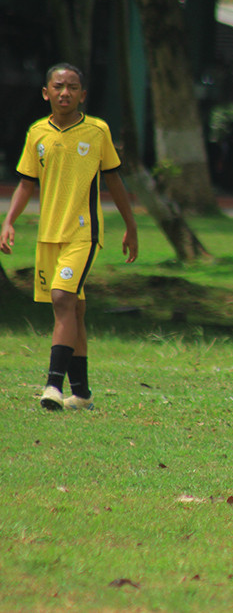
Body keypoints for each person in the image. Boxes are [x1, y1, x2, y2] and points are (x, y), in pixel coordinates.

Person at [0, 63, 139, 411]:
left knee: (62, 297)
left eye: (73, 87)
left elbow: (114, 180)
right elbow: (26, 183)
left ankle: (53, 386)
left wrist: (131, 225)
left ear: (83, 95)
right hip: (49, 235)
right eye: (59, 86)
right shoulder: (37, 133)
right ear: (46, 92)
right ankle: (82, 394)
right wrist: (9, 222)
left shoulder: (97, 131)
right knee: (73, 309)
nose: (65, 93)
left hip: (83, 232)